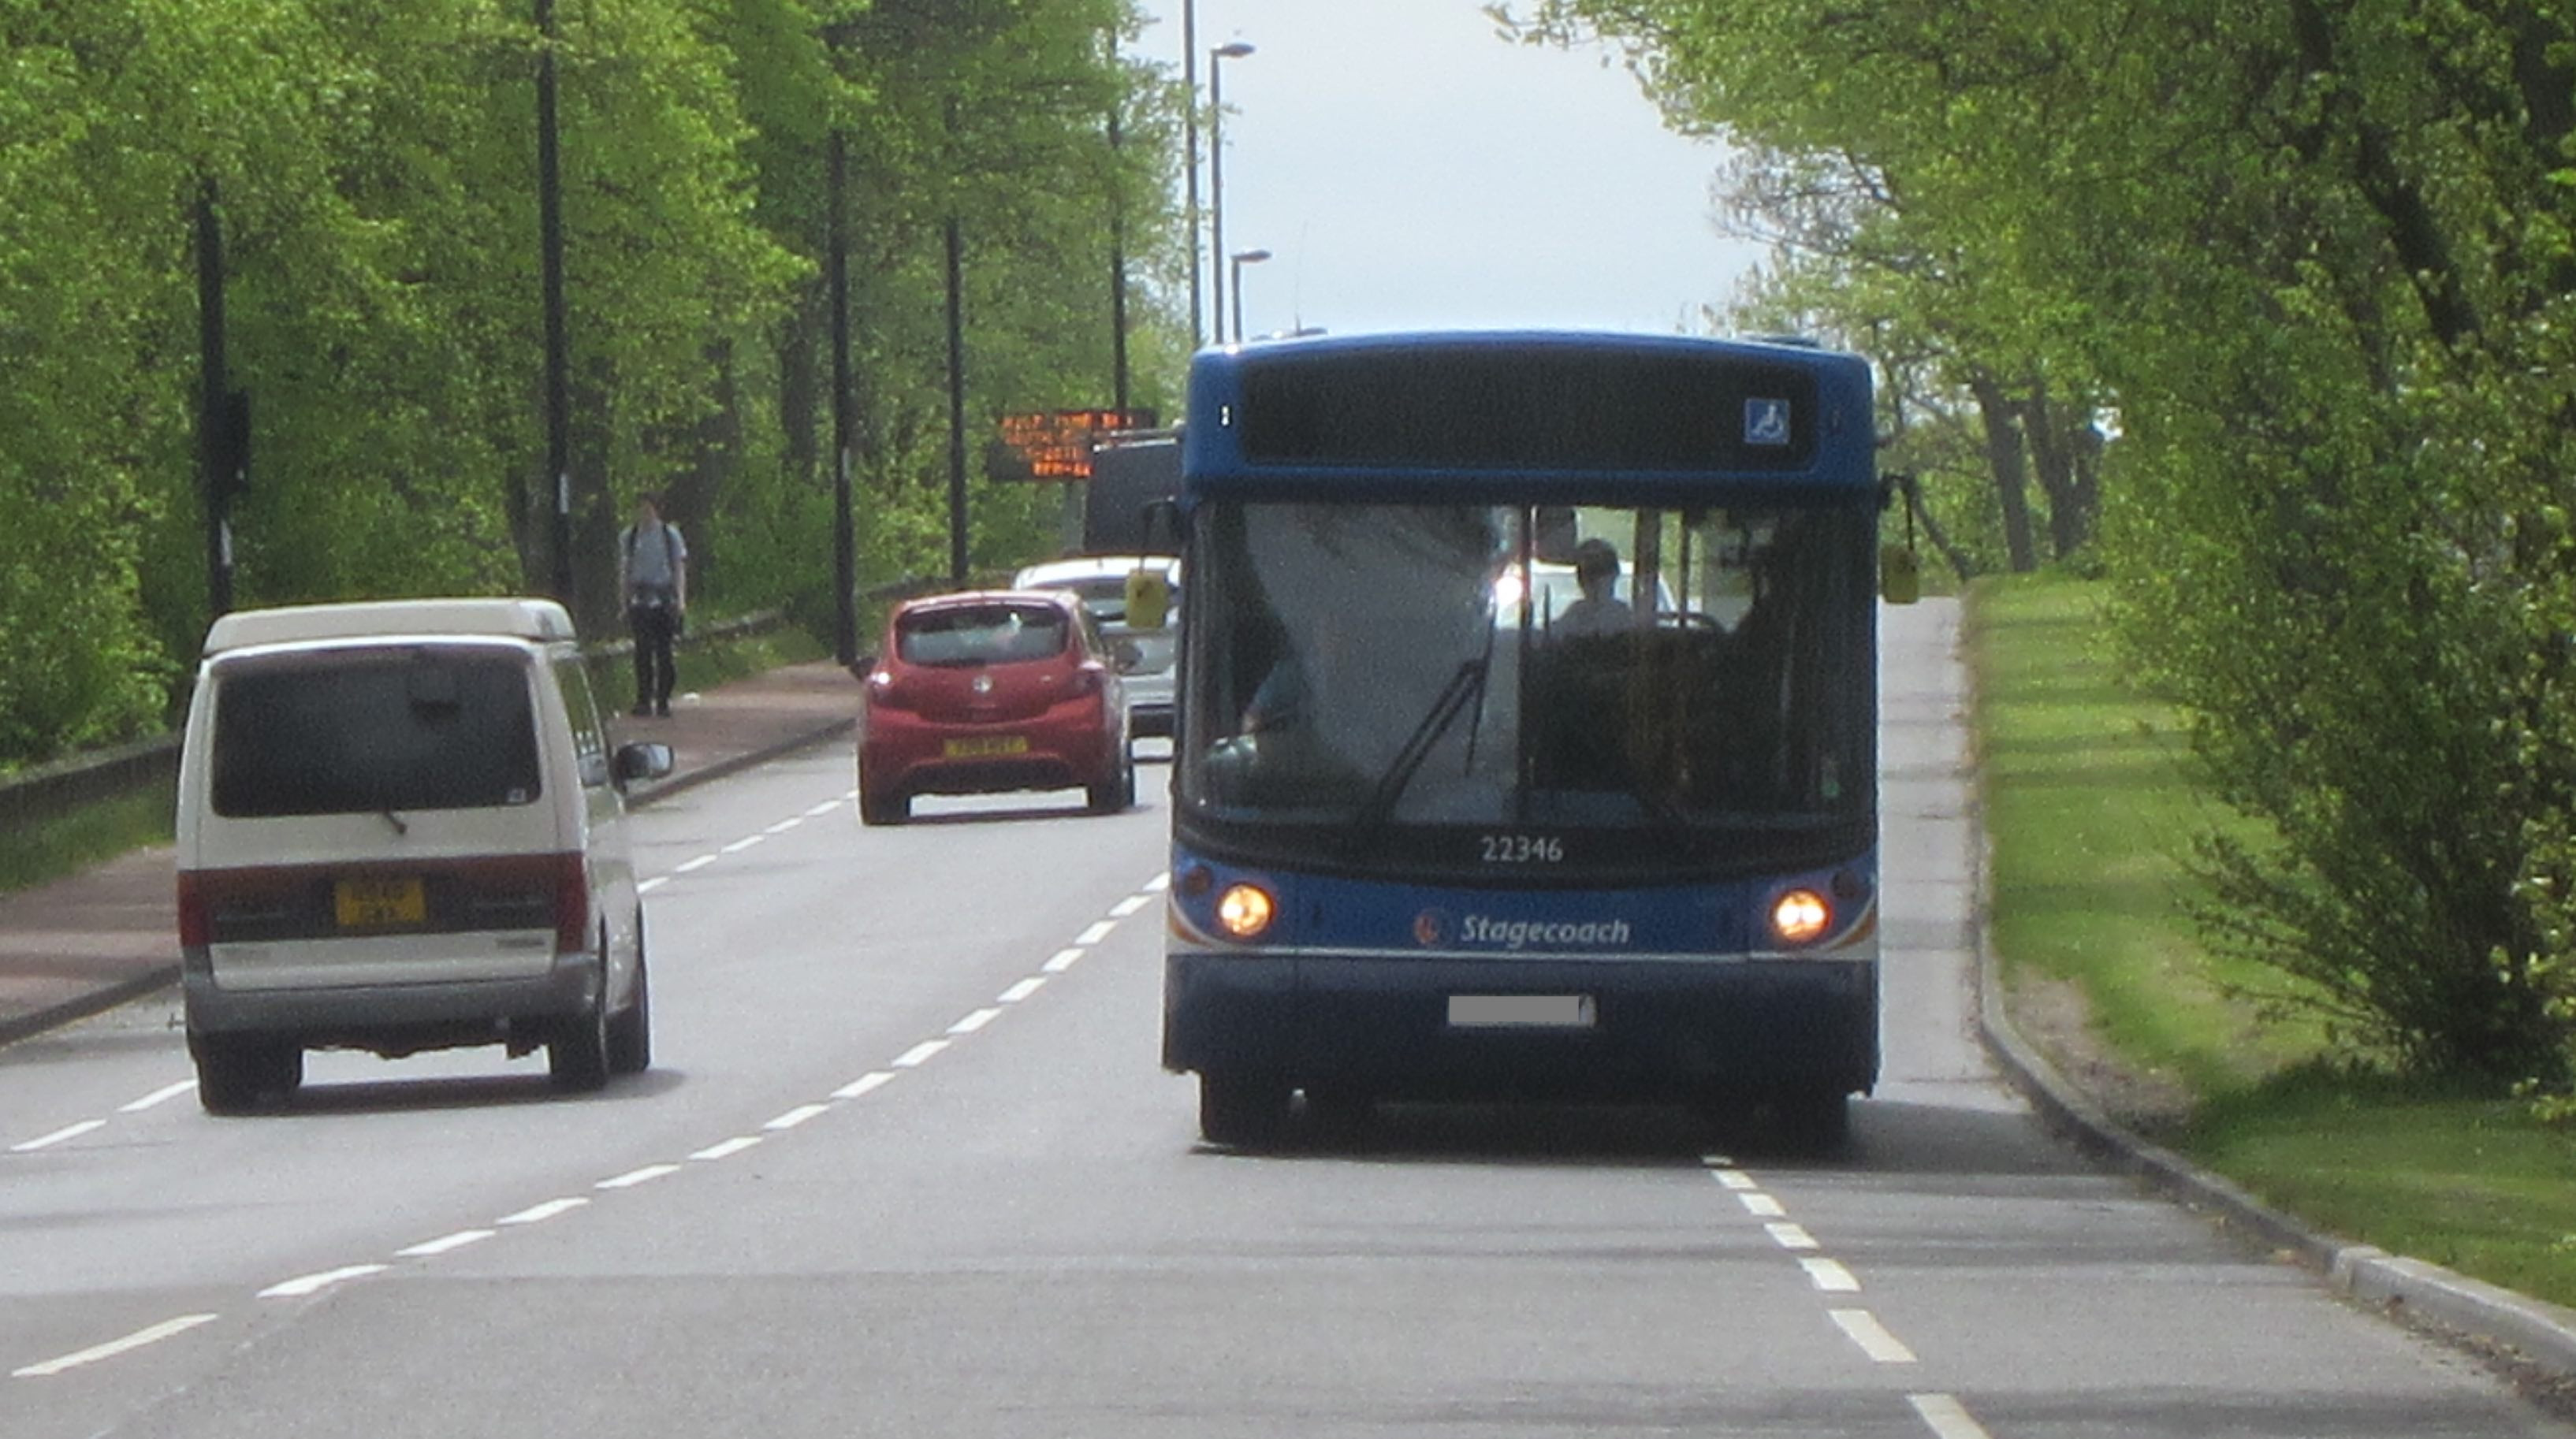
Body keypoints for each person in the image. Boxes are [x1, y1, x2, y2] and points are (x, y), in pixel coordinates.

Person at [618, 493, 689, 717]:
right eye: (641, 509)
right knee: (642, 651)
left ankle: (663, 699)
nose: (645, 514)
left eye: (649, 509)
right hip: (640, 601)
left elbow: (679, 568)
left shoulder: (670, 536)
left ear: (657, 510)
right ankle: (643, 699)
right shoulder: (629, 537)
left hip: (664, 599)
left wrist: (680, 599)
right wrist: (623, 600)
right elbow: (624, 570)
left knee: (664, 653)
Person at [1554, 538, 1635, 637]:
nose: (1593, 581)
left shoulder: (1623, 616)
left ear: (1614, 575)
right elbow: (1554, 633)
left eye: (1600, 571)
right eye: (1586, 573)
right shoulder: (1576, 612)